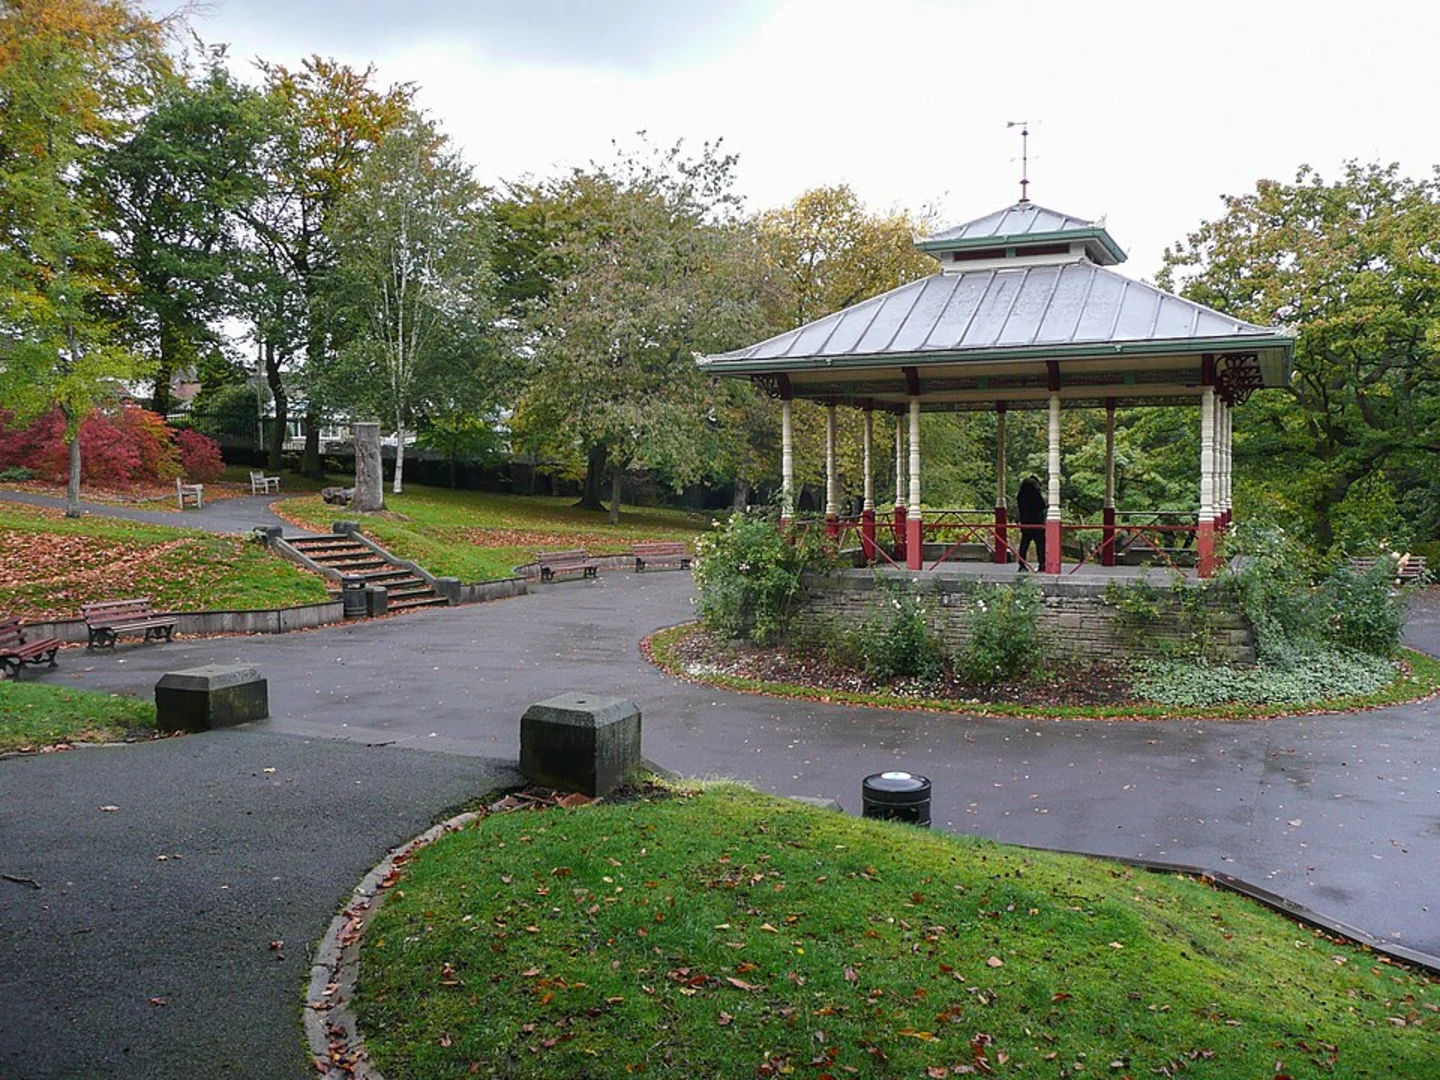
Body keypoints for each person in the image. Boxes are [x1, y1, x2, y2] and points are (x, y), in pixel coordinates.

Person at [1016, 475, 1046, 570]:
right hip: (1037, 523)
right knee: (1040, 545)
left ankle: (1022, 564)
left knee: (1024, 544)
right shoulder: (1035, 493)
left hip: (1025, 522)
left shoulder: (1020, 495)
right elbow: (1042, 505)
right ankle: (1042, 564)